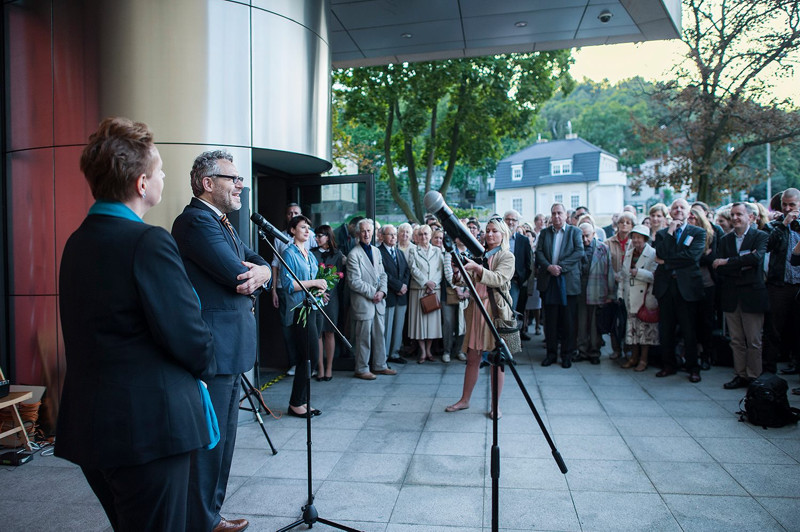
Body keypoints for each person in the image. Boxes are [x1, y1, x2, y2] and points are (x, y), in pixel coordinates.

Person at [56, 117, 215, 532]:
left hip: (93, 427)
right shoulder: (147, 241)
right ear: (143, 184)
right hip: (150, 429)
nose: (164, 175)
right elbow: (190, 340)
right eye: (160, 169)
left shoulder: (77, 242)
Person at [172, 149, 271, 532]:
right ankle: (201, 519)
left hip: (231, 348)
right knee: (211, 443)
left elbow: (256, 262)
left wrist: (262, 271)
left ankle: (210, 515)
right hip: (214, 349)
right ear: (208, 183)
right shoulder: (196, 222)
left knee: (225, 442)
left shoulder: (224, 223)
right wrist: (258, 275)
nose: (240, 185)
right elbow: (237, 274)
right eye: (234, 179)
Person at [445, 217, 515, 418]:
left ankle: (496, 406)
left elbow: (499, 279)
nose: (490, 234)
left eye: (494, 231)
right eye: (488, 230)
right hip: (477, 310)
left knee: (497, 360)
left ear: (503, 234)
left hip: (495, 312)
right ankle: (464, 400)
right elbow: (465, 283)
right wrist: (458, 272)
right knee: (472, 358)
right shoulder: (480, 254)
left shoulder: (506, 256)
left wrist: (476, 268)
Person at [713, 203, 769, 389]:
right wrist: (741, 264)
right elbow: (718, 267)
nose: (735, 218)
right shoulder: (725, 240)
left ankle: (754, 376)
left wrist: (729, 262)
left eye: (740, 214)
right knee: (736, 340)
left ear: (751, 217)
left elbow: (756, 259)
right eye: (733, 215)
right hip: (731, 296)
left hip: (752, 296)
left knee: (754, 340)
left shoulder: (760, 237)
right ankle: (740, 374)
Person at [653, 198, 706, 383]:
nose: (678, 210)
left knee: (689, 329)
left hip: (687, 288)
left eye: (682, 207)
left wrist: (667, 262)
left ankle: (693, 367)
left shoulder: (698, 232)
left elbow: (691, 257)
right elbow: (659, 253)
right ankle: (668, 365)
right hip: (666, 288)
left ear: (689, 211)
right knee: (666, 330)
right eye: (675, 207)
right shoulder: (661, 234)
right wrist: (670, 231)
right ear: (670, 212)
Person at [282, 215, 327, 415]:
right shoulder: (289, 253)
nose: (307, 231)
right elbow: (288, 284)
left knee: (309, 357)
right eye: (302, 227)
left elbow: (313, 280)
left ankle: (302, 401)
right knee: (308, 356)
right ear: (292, 230)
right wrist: (314, 284)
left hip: (313, 306)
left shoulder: (309, 253)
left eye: (309, 227)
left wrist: (321, 291)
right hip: (299, 309)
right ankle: (295, 403)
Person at [347, 218, 397, 379]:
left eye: (369, 231)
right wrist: (373, 292)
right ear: (358, 233)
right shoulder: (353, 254)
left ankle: (380, 365)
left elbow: (383, 274)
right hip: (364, 302)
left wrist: (382, 292)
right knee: (363, 338)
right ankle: (361, 368)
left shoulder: (376, 251)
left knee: (379, 335)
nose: (366, 234)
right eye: (363, 231)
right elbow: (354, 282)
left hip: (378, 300)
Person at [536, 203, 584, 368]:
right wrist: (549, 267)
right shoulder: (544, 233)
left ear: (566, 216)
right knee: (550, 321)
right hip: (549, 281)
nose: (556, 216)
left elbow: (579, 251)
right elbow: (539, 252)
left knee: (568, 321)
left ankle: (566, 355)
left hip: (568, 282)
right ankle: (550, 354)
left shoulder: (575, 232)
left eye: (559, 213)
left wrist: (560, 267)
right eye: (553, 213)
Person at [764, 188, 800, 375]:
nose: (787, 208)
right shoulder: (774, 226)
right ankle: (768, 375)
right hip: (779, 285)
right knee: (773, 331)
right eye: (784, 204)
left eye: (791, 205)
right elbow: (766, 245)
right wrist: (783, 225)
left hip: (798, 285)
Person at [618, 224, 659, 371]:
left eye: (639, 238)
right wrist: (620, 294)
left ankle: (643, 360)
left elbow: (655, 276)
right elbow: (623, 275)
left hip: (645, 298)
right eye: (634, 237)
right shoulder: (629, 253)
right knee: (632, 330)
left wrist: (638, 272)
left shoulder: (653, 253)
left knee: (645, 331)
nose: (636, 240)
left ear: (645, 239)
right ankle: (633, 357)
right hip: (630, 296)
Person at [271, 203, 305, 377]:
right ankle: (293, 362)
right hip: (284, 289)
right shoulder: (279, 237)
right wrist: (274, 290)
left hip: (306, 289)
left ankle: (306, 362)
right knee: (287, 326)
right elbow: (275, 265)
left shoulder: (309, 235)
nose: (293, 215)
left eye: (296, 213)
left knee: (305, 327)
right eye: (290, 213)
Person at [576, 222, 615, 364]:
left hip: (597, 288)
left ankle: (594, 352)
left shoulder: (603, 248)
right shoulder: (576, 247)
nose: (585, 239)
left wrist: (611, 294)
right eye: (582, 236)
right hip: (580, 289)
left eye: (587, 236)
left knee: (594, 324)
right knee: (581, 323)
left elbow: (610, 271)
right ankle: (582, 350)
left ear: (593, 234)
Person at [407, 224, 445, 363]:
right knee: (419, 323)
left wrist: (433, 283)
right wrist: (426, 282)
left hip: (434, 290)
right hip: (419, 289)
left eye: (426, 234)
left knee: (432, 323)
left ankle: (429, 350)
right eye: (421, 234)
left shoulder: (437, 251)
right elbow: (413, 268)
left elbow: (441, 270)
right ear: (417, 236)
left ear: (430, 236)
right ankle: (422, 352)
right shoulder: (413, 251)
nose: (424, 237)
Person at [312, 224, 345, 381]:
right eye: (316, 236)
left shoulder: (337, 254)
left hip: (331, 298)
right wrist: (318, 292)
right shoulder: (312, 253)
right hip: (315, 296)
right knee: (317, 333)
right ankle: (320, 368)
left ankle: (329, 367)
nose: (317, 238)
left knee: (330, 332)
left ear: (328, 237)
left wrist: (326, 292)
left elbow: (338, 277)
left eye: (320, 236)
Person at [688, 206, 717, 370]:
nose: (691, 220)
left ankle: (707, 354)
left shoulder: (712, 234)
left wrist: (692, 257)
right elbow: (682, 257)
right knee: (690, 323)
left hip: (706, 284)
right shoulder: (684, 235)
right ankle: (693, 355)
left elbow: (712, 258)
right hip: (688, 284)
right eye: (689, 217)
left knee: (706, 321)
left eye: (694, 217)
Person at [378, 224, 410, 365]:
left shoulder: (399, 253)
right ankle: (383, 356)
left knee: (398, 326)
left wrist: (404, 285)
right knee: (387, 327)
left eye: (394, 235)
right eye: (390, 234)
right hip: (389, 295)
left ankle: (395, 353)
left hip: (401, 296)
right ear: (382, 237)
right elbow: (383, 273)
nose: (393, 237)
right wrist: (398, 286)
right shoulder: (378, 252)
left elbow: (406, 271)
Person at [605, 211, 636, 359]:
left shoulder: (635, 242)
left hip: (630, 285)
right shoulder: (608, 242)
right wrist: (614, 275)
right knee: (613, 318)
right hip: (612, 284)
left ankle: (628, 348)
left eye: (628, 222)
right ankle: (616, 349)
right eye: (621, 222)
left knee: (628, 318)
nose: (624, 224)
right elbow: (604, 264)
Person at [504, 209, 533, 340]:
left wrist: (520, 280)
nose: (511, 222)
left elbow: (528, 265)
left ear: (518, 223)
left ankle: (510, 346)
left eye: (514, 220)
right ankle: (497, 346)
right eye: (508, 219)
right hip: (497, 282)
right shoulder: (497, 238)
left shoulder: (524, 241)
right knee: (498, 314)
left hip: (514, 284)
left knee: (511, 314)